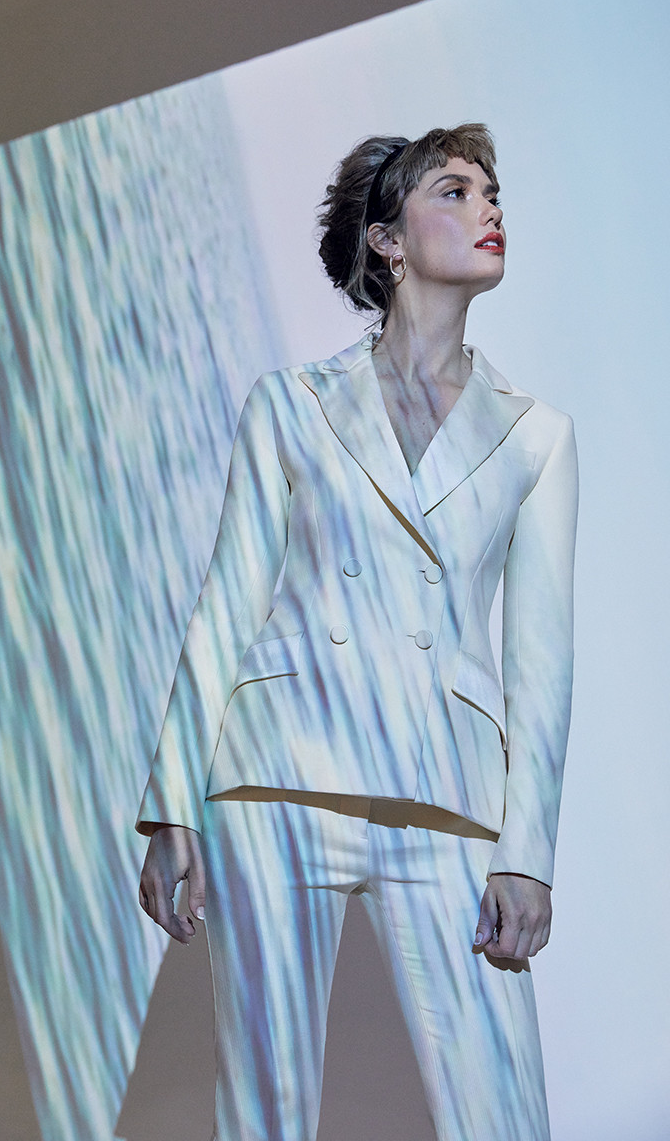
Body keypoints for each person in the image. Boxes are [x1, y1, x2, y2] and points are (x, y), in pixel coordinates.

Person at [136, 124, 578, 1141]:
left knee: (501, 1114)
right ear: (386, 239)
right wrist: (171, 805)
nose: (488, 209)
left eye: (492, 193)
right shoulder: (290, 406)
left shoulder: (535, 437)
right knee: (265, 1113)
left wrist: (528, 853)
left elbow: (540, 663)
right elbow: (225, 608)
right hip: (278, 780)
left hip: (448, 801)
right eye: (455, 191)